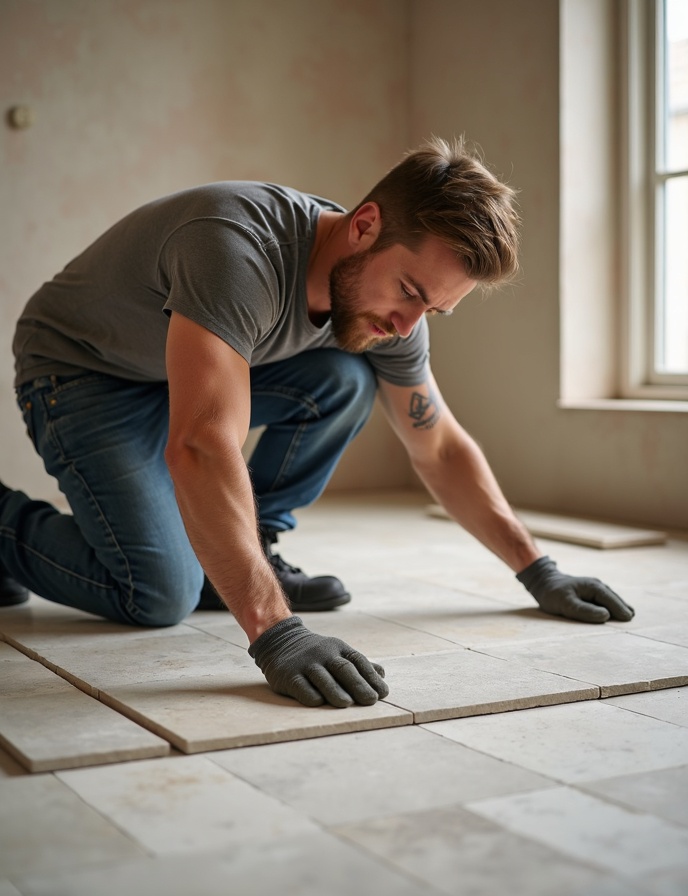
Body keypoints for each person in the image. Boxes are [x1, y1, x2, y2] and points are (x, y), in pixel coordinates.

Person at [0, 137, 634, 709]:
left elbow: (437, 446)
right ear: (364, 225)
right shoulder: (235, 251)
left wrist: (538, 569)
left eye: (435, 310)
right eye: (411, 291)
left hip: (176, 370)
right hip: (82, 373)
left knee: (348, 377)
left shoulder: (390, 311)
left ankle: (259, 551)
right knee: (158, 595)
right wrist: (276, 633)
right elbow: (199, 444)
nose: (409, 325)